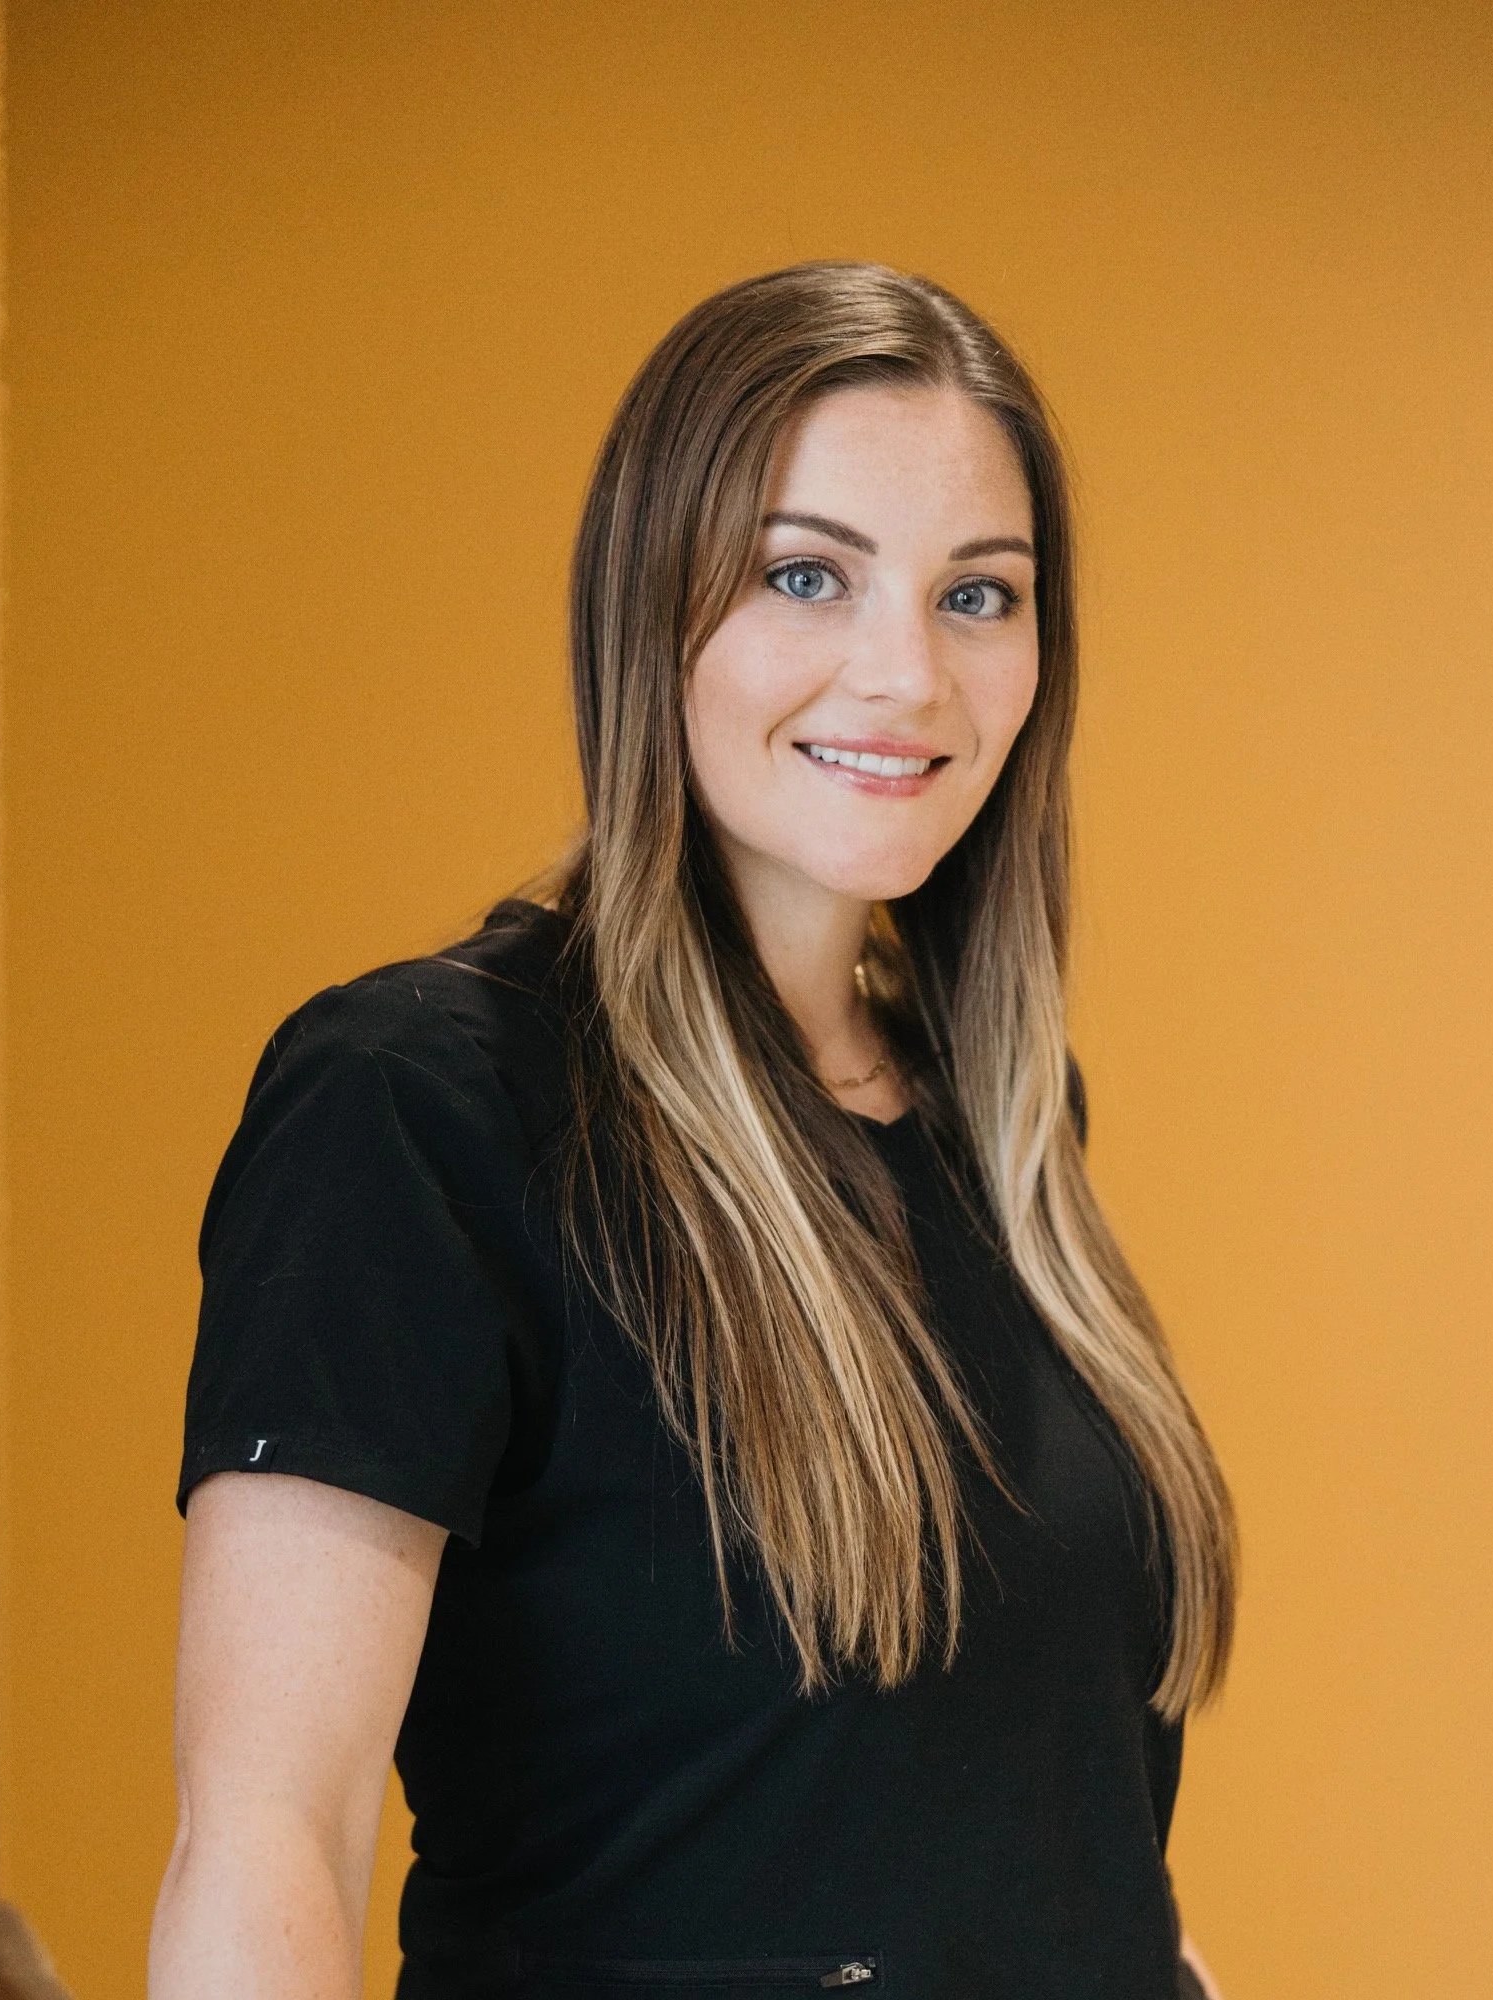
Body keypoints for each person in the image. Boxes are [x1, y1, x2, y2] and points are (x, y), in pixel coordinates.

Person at [149, 260, 1238, 2000]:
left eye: (982, 595)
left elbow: (1047, 1824)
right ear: (647, 611)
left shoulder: (1001, 1128)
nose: (908, 677)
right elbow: (270, 1841)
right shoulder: (425, 1106)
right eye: (808, 576)